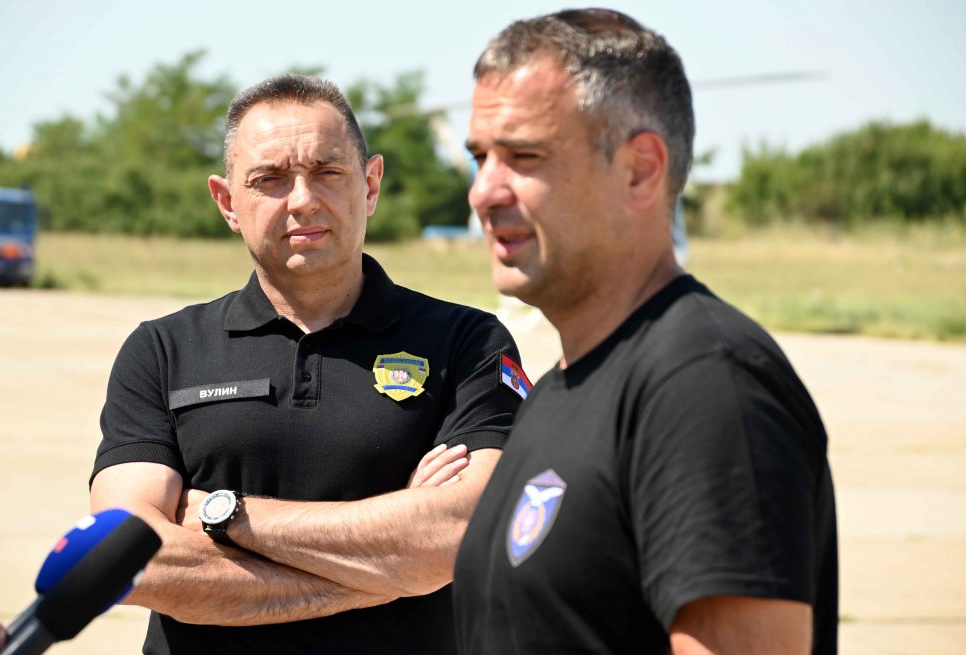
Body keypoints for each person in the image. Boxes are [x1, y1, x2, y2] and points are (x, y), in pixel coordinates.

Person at [89, 74, 527, 654]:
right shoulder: (162, 350)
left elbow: (467, 529)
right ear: (227, 202)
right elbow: (128, 560)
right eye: (269, 179)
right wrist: (395, 567)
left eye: (328, 172)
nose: (302, 200)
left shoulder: (468, 342)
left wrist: (225, 515)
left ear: (370, 184)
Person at [452, 9, 838, 655]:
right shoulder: (560, 388)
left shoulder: (704, 387)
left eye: (524, 156)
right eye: (479, 157)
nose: (483, 192)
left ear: (639, 170)